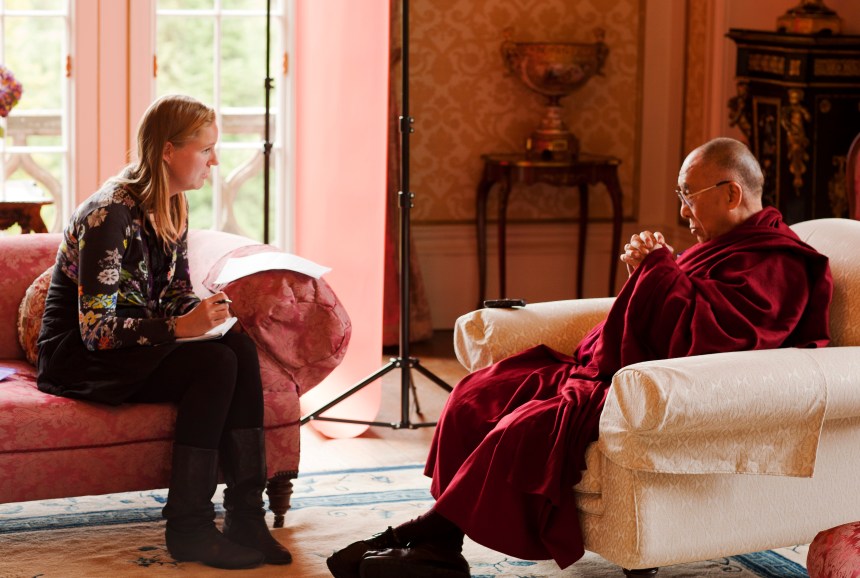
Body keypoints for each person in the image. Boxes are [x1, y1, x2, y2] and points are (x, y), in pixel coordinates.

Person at [326, 137, 834, 578]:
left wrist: (658, 269)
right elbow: (668, 313)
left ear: (731, 192)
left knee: (522, 428)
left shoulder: (779, 262)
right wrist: (651, 271)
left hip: (652, 387)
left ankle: (428, 536)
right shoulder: (727, 244)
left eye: (688, 196)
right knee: (477, 393)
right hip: (613, 368)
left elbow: (713, 341)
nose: (682, 211)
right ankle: (444, 548)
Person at [36, 94, 292, 570]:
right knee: (215, 363)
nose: (215, 161)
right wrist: (179, 327)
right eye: (206, 149)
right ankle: (189, 527)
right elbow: (96, 331)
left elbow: (172, 291)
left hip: (133, 345)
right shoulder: (109, 214)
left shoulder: (172, 205)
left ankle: (245, 516)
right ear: (168, 151)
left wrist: (205, 314)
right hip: (80, 357)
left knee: (235, 344)